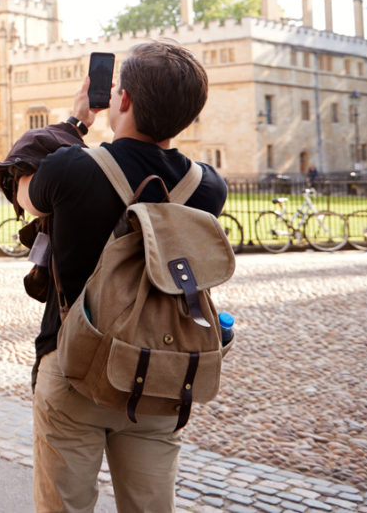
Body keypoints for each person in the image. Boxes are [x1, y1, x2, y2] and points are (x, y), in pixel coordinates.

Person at [16, 40, 227, 513]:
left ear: (123, 100)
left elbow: (26, 191)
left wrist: (75, 124)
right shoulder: (208, 187)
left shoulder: (73, 169)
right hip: (159, 372)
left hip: (76, 366)